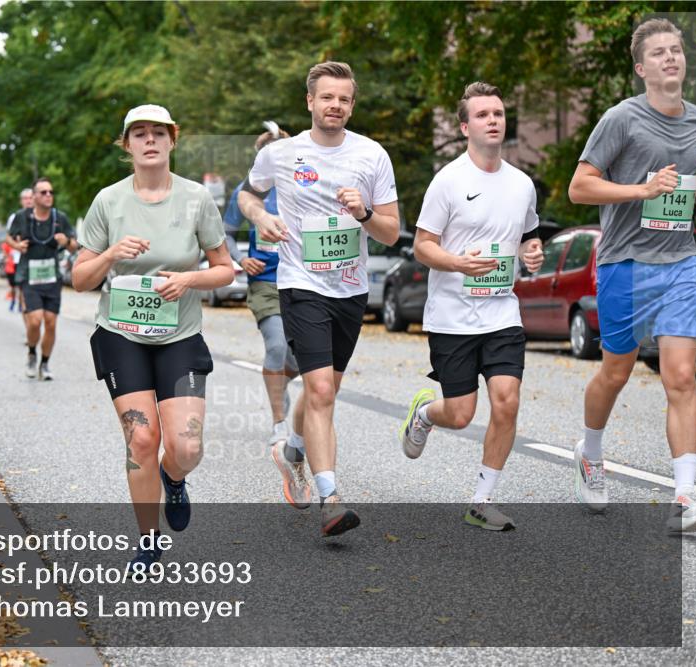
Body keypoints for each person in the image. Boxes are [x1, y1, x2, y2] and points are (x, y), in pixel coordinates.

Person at [238, 62, 400, 537]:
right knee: (323, 391)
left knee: (320, 388)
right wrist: (260, 218)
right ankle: (331, 498)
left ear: (352, 104)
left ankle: (291, 449)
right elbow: (248, 195)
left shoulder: (372, 155)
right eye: (327, 97)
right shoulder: (282, 154)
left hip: (350, 291)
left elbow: (389, 232)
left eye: (344, 99)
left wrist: (364, 211)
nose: (336, 106)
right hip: (300, 284)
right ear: (310, 101)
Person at [73, 104, 233, 571]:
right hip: (121, 334)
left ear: (172, 141)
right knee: (142, 438)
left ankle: (173, 476)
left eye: (157, 134)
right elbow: (81, 278)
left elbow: (224, 269)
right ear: (127, 145)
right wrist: (109, 255)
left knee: (186, 446)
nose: (149, 141)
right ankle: (148, 540)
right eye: (138, 134)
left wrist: (188, 280)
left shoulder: (196, 199)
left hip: (179, 334)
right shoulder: (108, 201)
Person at [568, 18, 696, 533]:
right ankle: (591, 451)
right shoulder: (621, 119)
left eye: (677, 50)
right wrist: (640, 192)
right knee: (616, 373)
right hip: (624, 264)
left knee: (682, 376)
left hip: (680, 263)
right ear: (642, 68)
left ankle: (685, 496)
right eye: (659, 53)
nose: (671, 57)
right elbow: (581, 188)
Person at [399, 82, 545, 531]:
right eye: (483, 115)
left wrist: (533, 254)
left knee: (507, 401)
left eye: (499, 113)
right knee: (460, 414)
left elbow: (528, 238)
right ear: (465, 126)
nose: (493, 120)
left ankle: (482, 499)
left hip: (502, 313)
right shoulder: (448, 181)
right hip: (453, 316)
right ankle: (425, 413)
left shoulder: (522, 185)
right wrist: (458, 263)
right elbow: (423, 246)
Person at [223, 122, 306, 506]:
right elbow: (224, 234)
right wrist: (241, 258)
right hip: (266, 283)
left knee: (299, 361)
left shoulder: (304, 184)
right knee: (276, 347)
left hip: (305, 284)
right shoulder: (247, 192)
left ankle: (283, 390)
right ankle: (278, 427)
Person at [7, 177, 78, 380]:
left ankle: (44, 363)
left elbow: (74, 245)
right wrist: (16, 246)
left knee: (51, 323)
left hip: (51, 278)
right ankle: (31, 353)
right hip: (30, 277)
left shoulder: (59, 218)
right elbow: (9, 237)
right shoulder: (22, 217)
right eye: (44, 192)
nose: (48, 195)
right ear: (34, 196)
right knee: (35, 321)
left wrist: (66, 242)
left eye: (51, 192)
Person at [5, 189, 33, 312]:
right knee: (21, 287)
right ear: (21, 201)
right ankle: (21, 307)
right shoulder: (16, 216)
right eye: (25, 198)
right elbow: (8, 237)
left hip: (37, 260)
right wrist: (17, 245)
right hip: (18, 259)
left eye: (30, 197)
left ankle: (26, 308)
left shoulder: (42, 214)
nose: (28, 200)